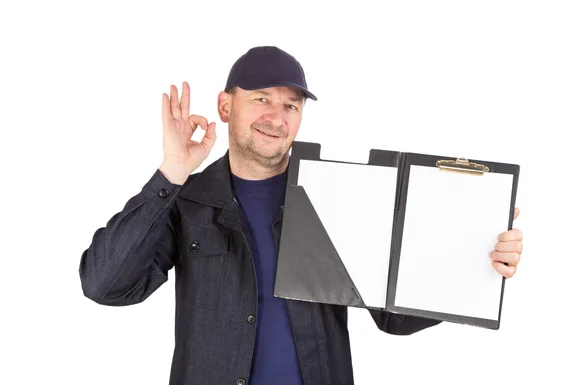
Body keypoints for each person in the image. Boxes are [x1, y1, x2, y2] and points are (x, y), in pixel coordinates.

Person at [79, 46, 524, 385]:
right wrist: (173, 170)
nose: (277, 116)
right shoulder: (187, 201)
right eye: (261, 98)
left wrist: (476, 261)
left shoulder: (338, 198)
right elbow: (106, 285)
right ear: (225, 106)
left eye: (291, 105)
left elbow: (395, 318)